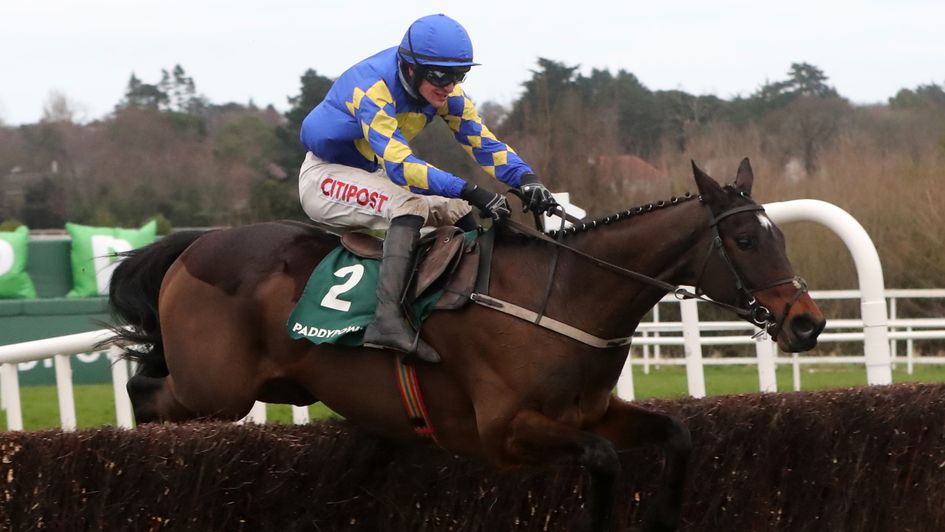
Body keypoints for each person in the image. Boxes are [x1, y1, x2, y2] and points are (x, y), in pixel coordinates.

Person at [298, 14, 556, 363]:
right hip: (324, 176)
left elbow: (483, 144)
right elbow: (402, 167)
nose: (449, 85)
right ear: (409, 68)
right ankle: (386, 320)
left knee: (457, 210)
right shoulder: (371, 88)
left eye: (458, 75)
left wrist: (527, 179)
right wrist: (471, 189)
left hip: (371, 173)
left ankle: (481, 300)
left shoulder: (447, 94)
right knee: (412, 206)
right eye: (439, 75)